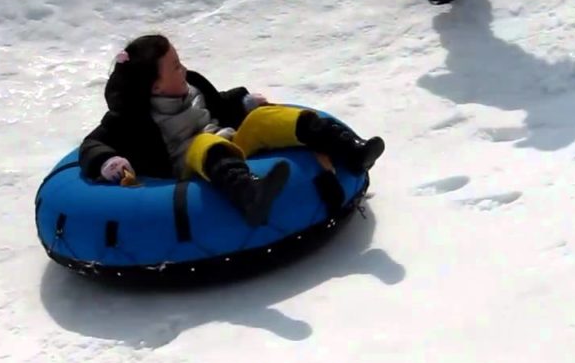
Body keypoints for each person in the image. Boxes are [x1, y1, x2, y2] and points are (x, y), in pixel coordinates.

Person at [78, 34, 385, 227]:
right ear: (155, 86)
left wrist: (243, 103)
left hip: (229, 144)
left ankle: (350, 150)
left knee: (263, 119)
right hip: (190, 166)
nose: (183, 69)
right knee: (204, 143)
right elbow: (93, 143)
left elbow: (220, 104)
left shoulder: (193, 87)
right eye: (175, 66)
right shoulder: (131, 118)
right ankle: (249, 194)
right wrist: (107, 161)